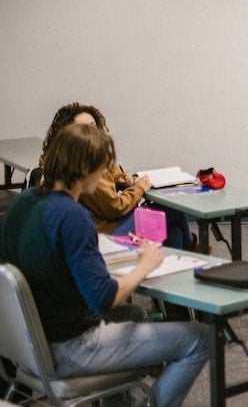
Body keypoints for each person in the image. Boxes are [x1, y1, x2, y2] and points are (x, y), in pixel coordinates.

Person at [0, 123, 211, 407]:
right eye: (101, 168)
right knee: (201, 339)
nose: (103, 174)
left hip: (26, 344)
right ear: (86, 168)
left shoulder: (23, 203)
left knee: (134, 314)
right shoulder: (72, 216)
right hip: (69, 348)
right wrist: (144, 265)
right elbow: (103, 297)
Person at [40, 103, 196, 251]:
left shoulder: (71, 158)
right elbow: (115, 208)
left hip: (109, 224)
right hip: (107, 231)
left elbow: (110, 169)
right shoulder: (84, 167)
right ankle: (193, 245)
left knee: (173, 231)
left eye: (93, 127)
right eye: (85, 128)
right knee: (169, 209)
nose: (91, 133)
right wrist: (138, 188)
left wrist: (121, 178)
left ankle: (177, 262)